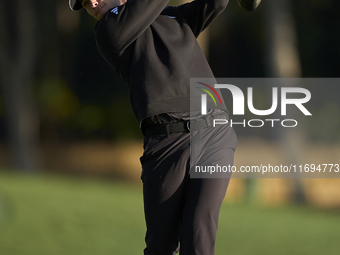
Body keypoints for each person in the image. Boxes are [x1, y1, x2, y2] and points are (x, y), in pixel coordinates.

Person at [69, 0, 258, 254]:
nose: (91, 2)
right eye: (83, 3)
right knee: (161, 245)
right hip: (165, 143)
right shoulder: (108, 30)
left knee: (199, 232)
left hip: (214, 134)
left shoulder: (172, 15)